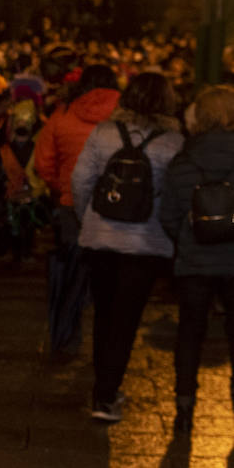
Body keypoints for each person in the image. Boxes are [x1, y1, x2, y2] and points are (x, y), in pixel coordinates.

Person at [71, 71, 183, 423]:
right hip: (145, 244)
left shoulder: (104, 133)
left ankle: (102, 388)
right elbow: (176, 198)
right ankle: (106, 395)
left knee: (104, 313)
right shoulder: (174, 142)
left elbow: (80, 181)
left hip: (101, 239)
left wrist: (87, 217)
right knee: (126, 318)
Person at [160, 85, 234, 433]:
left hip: (194, 261)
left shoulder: (185, 159)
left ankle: (185, 404)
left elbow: (169, 213)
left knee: (190, 332)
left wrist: (188, 239)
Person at [35, 64, 120, 350]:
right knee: (112, 276)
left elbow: (43, 161)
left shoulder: (64, 113)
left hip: (71, 203)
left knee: (72, 271)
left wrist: (60, 185)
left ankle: (68, 337)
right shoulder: (124, 116)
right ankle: (109, 340)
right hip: (116, 208)